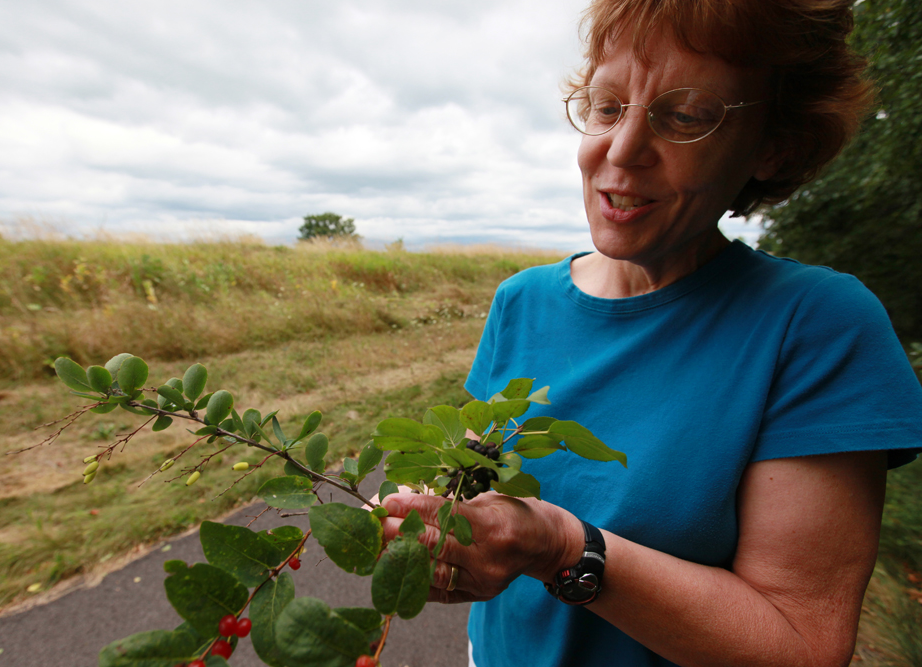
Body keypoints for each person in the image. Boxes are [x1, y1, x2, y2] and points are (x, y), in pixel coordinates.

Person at [379, 1, 922, 666]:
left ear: (774, 145)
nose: (622, 149)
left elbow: (802, 642)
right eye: (608, 107)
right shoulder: (519, 299)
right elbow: (477, 461)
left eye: (685, 115)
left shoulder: (816, 326)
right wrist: (433, 511)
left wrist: (562, 547)